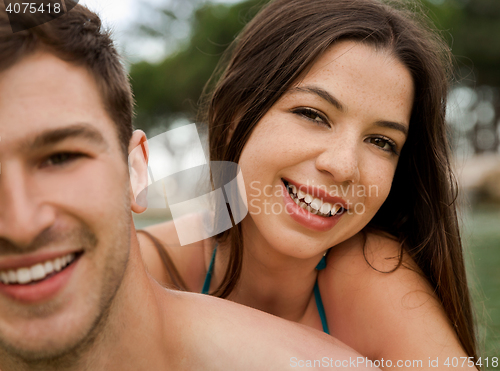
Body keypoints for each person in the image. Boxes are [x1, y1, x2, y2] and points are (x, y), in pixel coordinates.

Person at [0, 2, 384, 370]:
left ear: (136, 171)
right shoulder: (190, 231)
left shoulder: (374, 273)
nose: (21, 224)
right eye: (311, 115)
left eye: (61, 158)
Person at [140, 0, 480, 368]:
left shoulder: (373, 267)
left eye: (381, 141)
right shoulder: (146, 264)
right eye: (312, 114)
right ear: (236, 114)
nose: (343, 166)